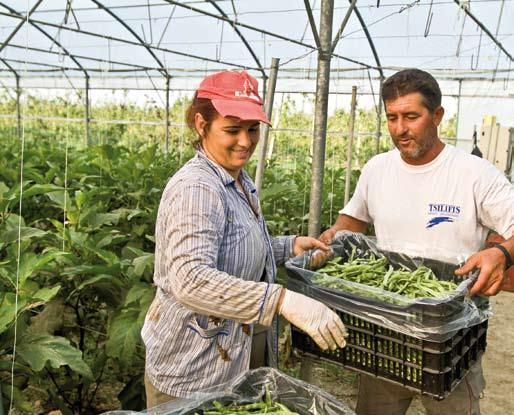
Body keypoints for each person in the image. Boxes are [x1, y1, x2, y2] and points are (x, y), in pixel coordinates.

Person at [141, 70, 346, 408]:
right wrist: (281, 300)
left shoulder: (235, 177)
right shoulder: (197, 188)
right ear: (200, 124)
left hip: (228, 358)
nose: (246, 141)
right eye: (232, 130)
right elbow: (189, 280)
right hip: (193, 370)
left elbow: (234, 245)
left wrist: (286, 246)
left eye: (253, 130)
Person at [318, 69, 514, 415]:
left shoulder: (473, 173)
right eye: (392, 117)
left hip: (450, 340)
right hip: (384, 333)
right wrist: (332, 238)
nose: (399, 129)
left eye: (411, 116)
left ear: (437, 116)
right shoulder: (377, 169)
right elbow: (353, 220)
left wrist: (501, 253)